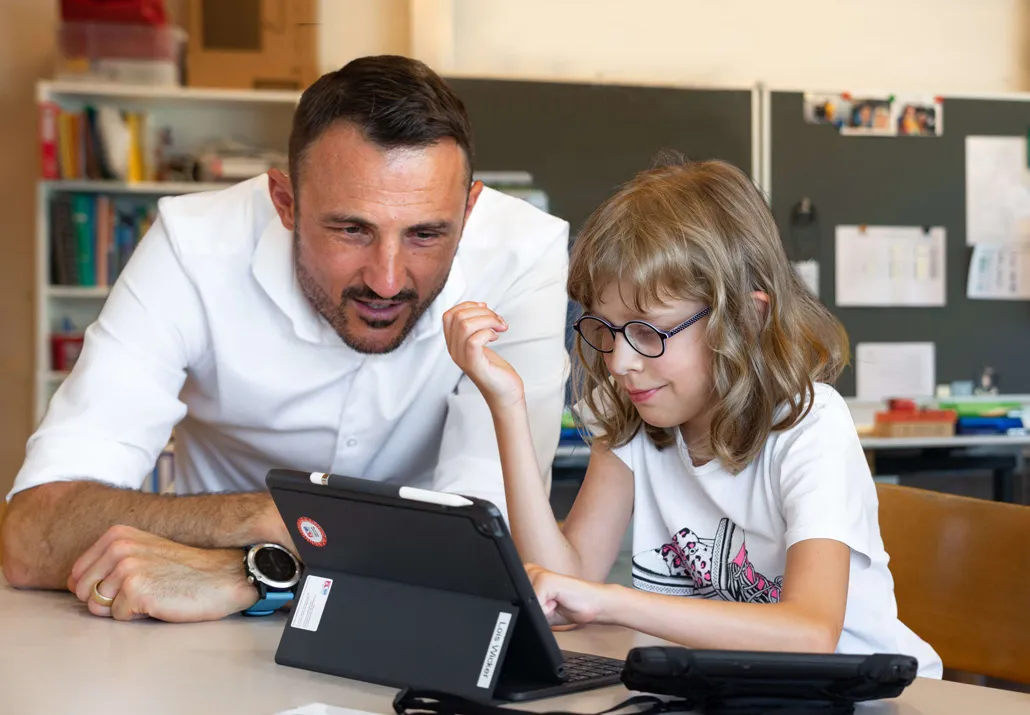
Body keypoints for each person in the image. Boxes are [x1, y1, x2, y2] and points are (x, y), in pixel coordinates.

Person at [1, 56, 570, 622]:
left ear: (469, 211)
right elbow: (31, 535)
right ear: (285, 203)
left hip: (394, 625)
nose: (387, 279)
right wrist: (260, 518)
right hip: (188, 621)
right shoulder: (193, 246)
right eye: (352, 229)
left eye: (425, 234)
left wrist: (253, 572)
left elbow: (486, 556)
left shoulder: (525, 256)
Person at [443, 157, 943, 677]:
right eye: (607, 330)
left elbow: (811, 633)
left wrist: (610, 601)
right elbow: (563, 590)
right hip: (731, 691)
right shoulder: (636, 419)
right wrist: (506, 404)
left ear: (747, 318)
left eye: (649, 331)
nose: (620, 363)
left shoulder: (810, 427)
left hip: (871, 696)